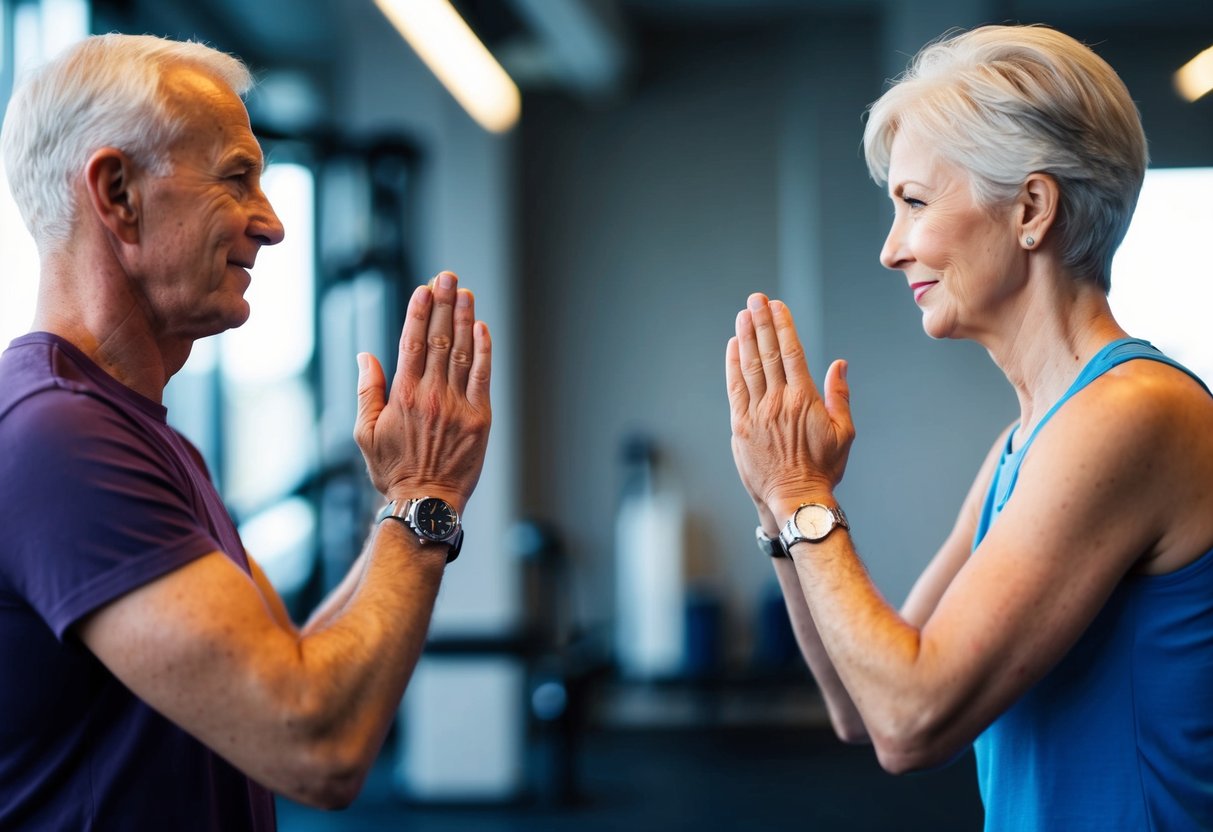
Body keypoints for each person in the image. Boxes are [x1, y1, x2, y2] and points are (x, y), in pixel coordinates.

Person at [726, 24, 1213, 830]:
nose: (890, 250)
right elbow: (860, 704)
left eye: (914, 203)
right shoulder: (1022, 444)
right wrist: (777, 504)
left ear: (1030, 209)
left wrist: (800, 490)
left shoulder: (1133, 415)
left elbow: (909, 722)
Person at [0, 34, 492, 830]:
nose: (271, 225)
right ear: (117, 192)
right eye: (237, 179)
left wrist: (407, 500)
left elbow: (289, 658)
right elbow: (314, 740)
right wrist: (424, 498)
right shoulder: (55, 438)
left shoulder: (136, 431)